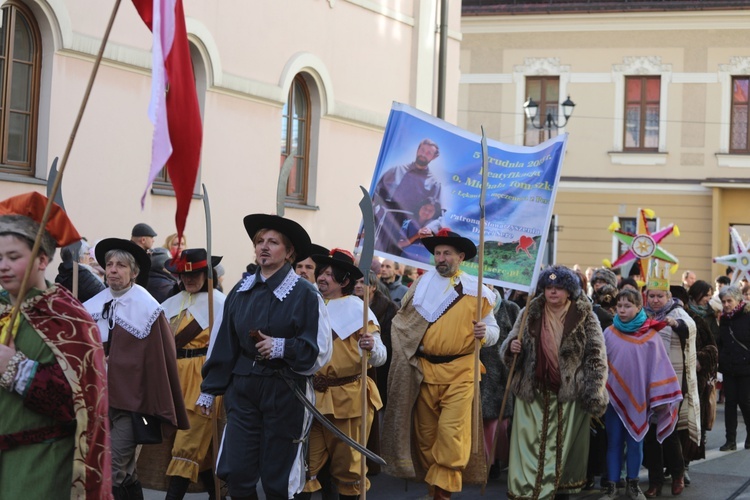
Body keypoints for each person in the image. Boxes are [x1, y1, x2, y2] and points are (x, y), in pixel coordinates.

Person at [198, 214, 332, 500]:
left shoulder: (306, 295)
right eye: (260, 241)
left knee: (277, 478)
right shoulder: (240, 291)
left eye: (273, 242)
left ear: (289, 252)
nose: (264, 247)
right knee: (237, 473)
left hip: (286, 391)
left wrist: (283, 346)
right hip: (243, 388)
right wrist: (210, 389)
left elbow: (318, 351)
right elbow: (224, 344)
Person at [0, 192, 111, 498]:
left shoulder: (70, 319)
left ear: (42, 259)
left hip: (40, 465)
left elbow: (80, 403)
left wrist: (14, 368)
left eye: (14, 257)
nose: (3, 266)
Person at [382, 229, 499, 500]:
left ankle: (442, 494)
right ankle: (434, 488)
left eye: (447, 253)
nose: (441, 258)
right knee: (425, 438)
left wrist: (486, 333)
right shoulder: (420, 286)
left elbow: (493, 330)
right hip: (425, 371)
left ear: (460, 257)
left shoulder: (477, 289)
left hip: (461, 372)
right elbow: (403, 321)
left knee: (451, 434)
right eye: (437, 253)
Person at [84, 238, 189, 499]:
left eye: (120, 265)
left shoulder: (148, 308)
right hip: (99, 401)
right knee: (124, 471)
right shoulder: (92, 306)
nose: (113, 270)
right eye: (109, 264)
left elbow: (159, 360)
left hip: (133, 406)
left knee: (112, 468)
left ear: (134, 272)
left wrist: (116, 363)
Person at [501, 265, 608, 500]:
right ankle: (528, 492)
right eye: (549, 287)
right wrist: (511, 348)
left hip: (568, 395)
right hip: (532, 392)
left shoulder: (584, 315)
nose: (553, 292)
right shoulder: (530, 310)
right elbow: (510, 343)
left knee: (562, 449)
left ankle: (557, 491)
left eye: (558, 288)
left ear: (569, 291)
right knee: (529, 447)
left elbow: (596, 355)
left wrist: (594, 391)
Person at [298, 249, 385, 499]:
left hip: (348, 400)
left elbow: (380, 354)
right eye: (321, 272)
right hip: (310, 398)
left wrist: (372, 347)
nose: (322, 277)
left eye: (329, 274)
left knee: (348, 469)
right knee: (305, 467)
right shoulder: (308, 302)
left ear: (344, 281)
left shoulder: (359, 309)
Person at [599, 289, 683, 500]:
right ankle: (611, 485)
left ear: (638, 308)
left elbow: (659, 367)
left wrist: (660, 394)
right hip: (613, 399)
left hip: (640, 398)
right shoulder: (609, 332)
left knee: (636, 441)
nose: (623, 310)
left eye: (628, 306)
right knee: (614, 442)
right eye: (619, 306)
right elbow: (600, 364)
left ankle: (633, 484)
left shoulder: (651, 335)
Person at [160, 248, 226, 499]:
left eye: (196, 273)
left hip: (202, 380)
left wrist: (212, 386)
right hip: (174, 379)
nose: (189, 279)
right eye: (183, 275)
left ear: (207, 274)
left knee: (186, 446)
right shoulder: (169, 304)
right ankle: (215, 495)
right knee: (202, 451)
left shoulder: (219, 303)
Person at [641, 273, 699, 498]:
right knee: (651, 434)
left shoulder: (678, 313)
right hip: (647, 383)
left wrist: (675, 324)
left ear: (668, 296)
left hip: (672, 383)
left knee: (670, 433)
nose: (655, 300)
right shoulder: (642, 315)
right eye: (651, 296)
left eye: (659, 296)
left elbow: (688, 330)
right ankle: (655, 480)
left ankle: (677, 475)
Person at [672, 284, 718, 479]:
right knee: (667, 425)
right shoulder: (658, 319)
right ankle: (669, 465)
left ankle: (684, 465)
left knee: (687, 423)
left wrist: (699, 359)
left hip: (692, 380)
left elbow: (713, 347)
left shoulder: (697, 320)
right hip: (667, 379)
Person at [373, 139, 442, 254]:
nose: (424, 154)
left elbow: (437, 215)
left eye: (429, 153)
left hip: (408, 233)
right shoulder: (395, 171)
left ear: (434, 157)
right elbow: (375, 197)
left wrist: (426, 230)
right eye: (422, 150)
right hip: (383, 224)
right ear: (417, 150)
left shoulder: (434, 183)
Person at [479, 285, 520, 478]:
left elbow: (520, 336)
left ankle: (496, 461)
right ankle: (483, 462)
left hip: (502, 374)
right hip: (477, 371)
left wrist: (515, 350)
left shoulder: (510, 308)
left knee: (499, 423)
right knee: (481, 420)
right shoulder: (470, 303)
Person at [716, 285, 750, 451]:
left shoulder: (747, 316)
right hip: (729, 367)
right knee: (730, 404)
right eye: (724, 301)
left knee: (746, 402)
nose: (726, 304)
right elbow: (721, 342)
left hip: (746, 367)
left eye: (729, 301)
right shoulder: (724, 318)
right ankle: (730, 440)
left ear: (738, 300)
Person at [55, 238, 105, 302]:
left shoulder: (63, 275)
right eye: (88, 254)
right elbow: (104, 296)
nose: (90, 257)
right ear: (80, 259)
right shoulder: (83, 276)